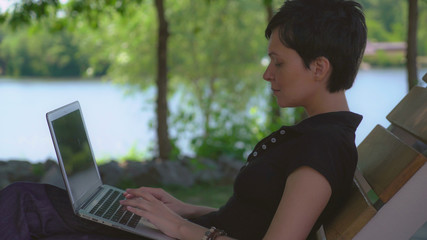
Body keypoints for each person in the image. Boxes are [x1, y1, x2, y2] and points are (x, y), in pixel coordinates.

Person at [0, 0, 367, 239]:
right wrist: (183, 208)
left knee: (25, 205)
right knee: (33, 204)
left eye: (279, 62)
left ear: (319, 68)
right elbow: (256, 219)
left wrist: (175, 226)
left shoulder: (323, 148)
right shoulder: (320, 136)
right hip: (189, 231)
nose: (267, 74)